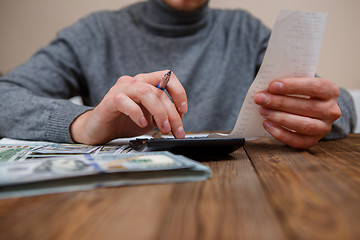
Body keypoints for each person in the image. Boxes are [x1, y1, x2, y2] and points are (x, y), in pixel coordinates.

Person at [0, 0, 356, 149]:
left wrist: (326, 113)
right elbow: (5, 96)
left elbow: (333, 107)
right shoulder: (94, 34)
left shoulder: (245, 31)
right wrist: (85, 123)